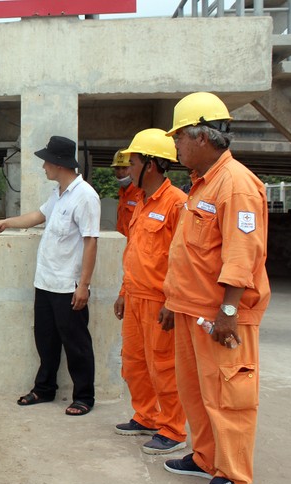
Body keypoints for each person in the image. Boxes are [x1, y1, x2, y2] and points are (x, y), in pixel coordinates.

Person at [160, 92, 270, 484]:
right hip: (191, 309)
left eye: (178, 137)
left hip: (220, 314)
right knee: (196, 392)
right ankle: (205, 457)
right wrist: (172, 302)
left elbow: (242, 255)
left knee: (229, 396)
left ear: (201, 136)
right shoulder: (202, 184)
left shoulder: (236, 185)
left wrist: (229, 312)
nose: (176, 145)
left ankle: (233, 476)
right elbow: (190, 254)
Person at [0, 135, 100, 416]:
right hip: (46, 282)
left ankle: (84, 397)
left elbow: (91, 242)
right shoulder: (59, 193)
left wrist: (83, 285)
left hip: (68, 284)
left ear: (59, 163)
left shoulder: (85, 196)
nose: (43, 167)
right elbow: (38, 216)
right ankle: (44, 388)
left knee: (76, 344)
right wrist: (6, 222)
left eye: (46, 162)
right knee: (45, 340)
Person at [112, 129, 187, 455]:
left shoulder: (177, 204)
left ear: (151, 165)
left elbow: (183, 260)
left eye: (133, 163)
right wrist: (123, 291)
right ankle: (146, 416)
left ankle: (173, 429)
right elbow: (135, 252)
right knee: (134, 362)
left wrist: (173, 301)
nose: (128, 170)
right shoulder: (140, 202)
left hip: (159, 301)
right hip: (134, 296)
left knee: (164, 367)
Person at [112, 149, 142, 237]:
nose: (120, 172)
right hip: (122, 243)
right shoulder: (122, 194)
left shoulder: (141, 192)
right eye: (117, 168)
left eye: (124, 168)